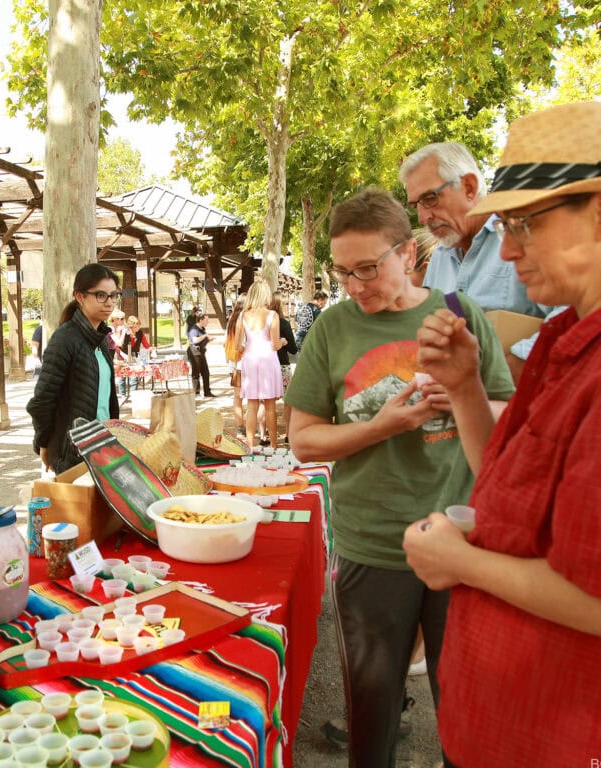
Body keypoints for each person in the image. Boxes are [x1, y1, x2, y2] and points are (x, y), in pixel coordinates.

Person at [403, 101, 601, 768]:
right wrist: (463, 385)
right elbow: (507, 477)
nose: (508, 247)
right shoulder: (563, 339)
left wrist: (460, 563)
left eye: (524, 224)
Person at [285, 189, 513, 767]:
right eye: (343, 272)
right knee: (372, 708)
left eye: (368, 268)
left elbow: (508, 423)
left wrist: (465, 394)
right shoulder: (332, 329)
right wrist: (382, 426)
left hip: (460, 542)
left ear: (407, 253)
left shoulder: (460, 315)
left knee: (466, 707)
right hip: (372, 547)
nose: (355, 285)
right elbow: (303, 439)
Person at [399, 141, 551, 382]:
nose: (423, 217)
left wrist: (512, 365)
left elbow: (575, 314)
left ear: (469, 187)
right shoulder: (439, 260)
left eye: (430, 199)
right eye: (416, 205)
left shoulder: (523, 236)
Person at [27, 263, 121, 474]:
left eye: (114, 295)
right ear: (80, 296)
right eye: (100, 295)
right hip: (73, 452)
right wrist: (43, 443)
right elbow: (42, 399)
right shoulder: (65, 339)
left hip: (103, 446)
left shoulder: (101, 340)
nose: (110, 303)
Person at [238, 281, 284, 449]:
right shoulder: (272, 315)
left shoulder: (243, 315)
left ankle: (249, 446)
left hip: (249, 359)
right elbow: (275, 344)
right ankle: (273, 446)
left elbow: (237, 345)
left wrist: (247, 349)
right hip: (268, 359)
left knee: (252, 405)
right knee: (270, 406)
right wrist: (283, 341)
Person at [269, 293, 298, 442]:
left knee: (267, 402)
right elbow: (293, 349)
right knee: (288, 401)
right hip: (283, 365)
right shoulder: (284, 324)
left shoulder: (263, 323)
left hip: (267, 366)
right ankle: (288, 433)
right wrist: (285, 342)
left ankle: (264, 433)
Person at [224, 297, 247, 436]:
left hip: (234, 365)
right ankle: (251, 426)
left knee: (237, 397)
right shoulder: (246, 321)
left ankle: (240, 427)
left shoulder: (230, 322)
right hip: (246, 363)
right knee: (253, 398)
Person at [185, 310, 215, 398]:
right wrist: (205, 336)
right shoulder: (194, 329)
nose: (208, 322)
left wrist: (209, 340)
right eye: (206, 320)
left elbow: (202, 341)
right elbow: (195, 340)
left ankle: (207, 392)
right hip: (194, 352)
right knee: (196, 372)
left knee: (206, 372)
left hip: (201, 352)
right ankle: (196, 393)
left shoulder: (203, 329)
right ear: (201, 320)